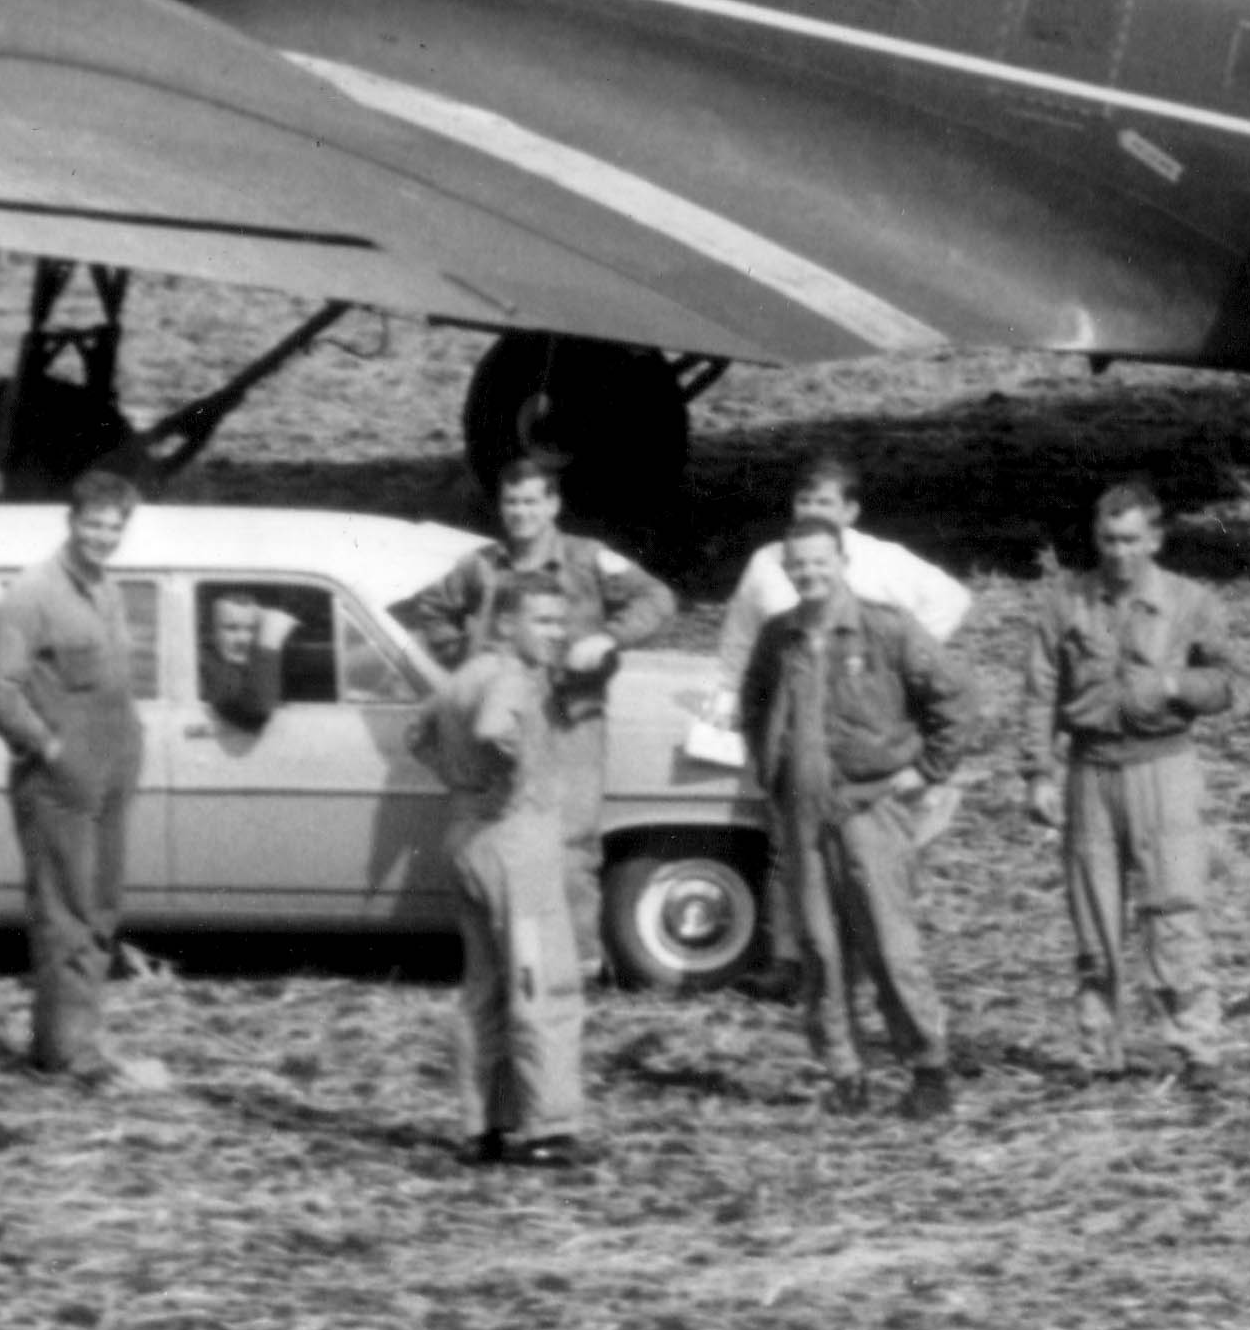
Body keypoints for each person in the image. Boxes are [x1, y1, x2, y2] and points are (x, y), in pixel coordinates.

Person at [734, 522, 975, 1118]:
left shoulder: (884, 630)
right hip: (800, 813)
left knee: (890, 943)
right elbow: (754, 703)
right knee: (818, 947)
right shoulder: (778, 638)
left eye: (819, 561)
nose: (808, 573)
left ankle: (926, 1067)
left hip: (868, 807)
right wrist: (771, 769)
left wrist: (928, 770)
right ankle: (844, 1070)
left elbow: (955, 696)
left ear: (842, 560)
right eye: (797, 565)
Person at [709, 454, 975, 988]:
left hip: (859, 721)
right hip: (794, 719)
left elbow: (953, 599)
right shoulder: (768, 563)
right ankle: (789, 959)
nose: (814, 511)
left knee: (865, 850)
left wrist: (895, 665)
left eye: (826, 502)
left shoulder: (881, 562)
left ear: (850, 511)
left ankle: (866, 959)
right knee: (790, 841)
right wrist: (731, 706)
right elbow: (741, 640)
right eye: (805, 501)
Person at [401, 451, 676, 966]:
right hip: (501, 722)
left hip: (568, 719)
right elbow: (430, 611)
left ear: (553, 504)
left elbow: (658, 600)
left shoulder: (587, 559)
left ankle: (578, 966)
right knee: (500, 834)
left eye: (531, 501)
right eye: (511, 502)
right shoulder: (481, 567)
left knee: (570, 844)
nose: (521, 513)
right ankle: (516, 962)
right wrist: (472, 664)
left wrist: (607, 640)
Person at [1032, 480, 1240, 1095]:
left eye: (1130, 540)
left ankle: (1197, 1046)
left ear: (1153, 539)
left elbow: (1227, 683)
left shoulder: (1190, 602)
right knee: (1093, 923)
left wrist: (1176, 685)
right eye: (1107, 540)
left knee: (1174, 910)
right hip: (1090, 770)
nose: (1118, 553)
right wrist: (1037, 772)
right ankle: (1099, 1049)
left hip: (1164, 768)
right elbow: (1041, 688)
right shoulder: (1065, 601)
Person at [0, 464, 150, 1081]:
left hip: (111, 771)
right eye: (93, 523)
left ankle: (80, 1041)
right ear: (71, 521)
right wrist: (48, 748)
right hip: (59, 783)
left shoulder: (107, 588)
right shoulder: (33, 592)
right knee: (64, 913)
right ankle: (64, 1053)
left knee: (100, 909)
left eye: (114, 526)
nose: (103, 536)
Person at [423, 578, 595, 1168]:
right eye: (541, 621)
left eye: (558, 621)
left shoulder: (463, 676)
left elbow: (418, 735)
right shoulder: (512, 678)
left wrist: (463, 783)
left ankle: (482, 1126)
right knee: (539, 982)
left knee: (484, 990)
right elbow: (494, 729)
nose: (554, 633)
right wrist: (505, 778)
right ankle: (548, 1128)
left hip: (466, 839)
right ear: (504, 625)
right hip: (515, 844)